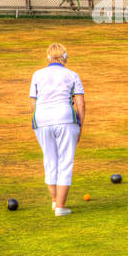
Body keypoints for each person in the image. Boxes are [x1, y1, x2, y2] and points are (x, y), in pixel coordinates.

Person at [29, 42, 85, 217]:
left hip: (42, 120)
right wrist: (80, 126)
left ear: (48, 57)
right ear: (65, 57)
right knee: (65, 161)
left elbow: (33, 104)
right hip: (65, 119)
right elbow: (81, 104)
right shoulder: (72, 75)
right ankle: (61, 206)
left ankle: (55, 201)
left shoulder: (37, 75)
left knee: (50, 159)